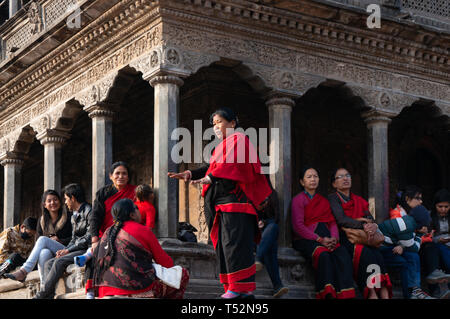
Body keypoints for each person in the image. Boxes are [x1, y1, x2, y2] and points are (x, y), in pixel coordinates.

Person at [168, 107, 272, 299]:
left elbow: (231, 167)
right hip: (220, 204)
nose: (216, 127)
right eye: (214, 124)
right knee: (225, 246)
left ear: (233, 123)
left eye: (220, 122)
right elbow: (211, 167)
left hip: (234, 202)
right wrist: (190, 173)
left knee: (234, 245)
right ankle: (236, 289)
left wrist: (210, 178)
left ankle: (237, 288)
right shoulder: (220, 147)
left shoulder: (240, 139)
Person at [91, 198, 189, 298]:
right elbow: (166, 263)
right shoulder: (142, 230)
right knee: (183, 274)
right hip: (138, 289)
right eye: (136, 208)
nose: (139, 211)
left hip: (104, 290)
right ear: (132, 214)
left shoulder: (107, 233)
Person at [292, 166, 355, 299]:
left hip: (327, 238)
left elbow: (331, 222)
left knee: (342, 253)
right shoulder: (298, 200)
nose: (313, 179)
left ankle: (345, 294)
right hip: (306, 239)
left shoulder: (323, 201)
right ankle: (327, 294)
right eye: (309, 177)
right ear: (302, 182)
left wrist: (334, 238)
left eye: (315, 176)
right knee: (323, 255)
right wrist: (319, 239)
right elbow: (298, 226)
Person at [328, 168, 391, 299]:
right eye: (340, 177)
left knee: (377, 254)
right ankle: (371, 293)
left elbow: (370, 218)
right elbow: (341, 220)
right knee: (365, 253)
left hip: (365, 237)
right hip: (347, 238)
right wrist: (363, 224)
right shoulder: (333, 198)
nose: (345, 178)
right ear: (334, 184)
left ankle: (383, 291)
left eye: (348, 175)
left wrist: (372, 226)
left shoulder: (359, 200)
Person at [85, 161, 136, 299]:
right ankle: (90, 291)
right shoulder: (103, 193)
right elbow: (95, 216)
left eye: (124, 173)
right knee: (95, 253)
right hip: (105, 234)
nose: (121, 176)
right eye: (117, 173)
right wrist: (94, 238)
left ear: (128, 176)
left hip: (126, 234)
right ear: (111, 176)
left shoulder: (135, 192)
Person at [33, 183, 92, 299]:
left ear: (73, 198)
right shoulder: (75, 215)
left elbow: (88, 238)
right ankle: (49, 295)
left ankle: (42, 294)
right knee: (49, 262)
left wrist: (67, 250)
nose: (65, 202)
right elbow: (75, 238)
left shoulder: (89, 211)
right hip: (75, 248)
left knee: (58, 261)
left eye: (66, 199)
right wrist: (65, 250)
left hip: (86, 249)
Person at [5, 190, 72, 283]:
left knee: (43, 240)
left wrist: (60, 241)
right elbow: (38, 242)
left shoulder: (68, 216)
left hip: (67, 250)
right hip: (51, 254)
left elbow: (76, 237)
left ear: (60, 202)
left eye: (55, 200)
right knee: (44, 252)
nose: (53, 202)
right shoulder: (42, 221)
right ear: (45, 204)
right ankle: (45, 287)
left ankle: (24, 271)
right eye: (49, 201)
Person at [379, 204, 435, 299]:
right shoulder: (407, 227)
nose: (426, 227)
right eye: (426, 224)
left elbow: (406, 243)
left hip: (390, 245)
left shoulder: (407, 221)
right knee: (405, 262)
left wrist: (402, 246)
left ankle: (415, 290)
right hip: (380, 248)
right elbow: (414, 248)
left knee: (413, 256)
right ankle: (410, 294)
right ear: (422, 223)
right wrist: (420, 235)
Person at [255, 175, 289, 298]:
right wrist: (256, 221)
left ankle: (258, 257)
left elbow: (277, 217)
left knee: (273, 227)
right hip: (253, 233)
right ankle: (277, 285)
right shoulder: (249, 194)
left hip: (267, 229)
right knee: (270, 246)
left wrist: (263, 222)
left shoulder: (272, 195)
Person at [422, 189, 450, 298]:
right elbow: (425, 237)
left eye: (446, 207)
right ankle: (438, 289)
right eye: (440, 206)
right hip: (435, 245)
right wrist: (437, 240)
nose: (443, 209)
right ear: (435, 205)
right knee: (434, 248)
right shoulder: (429, 217)